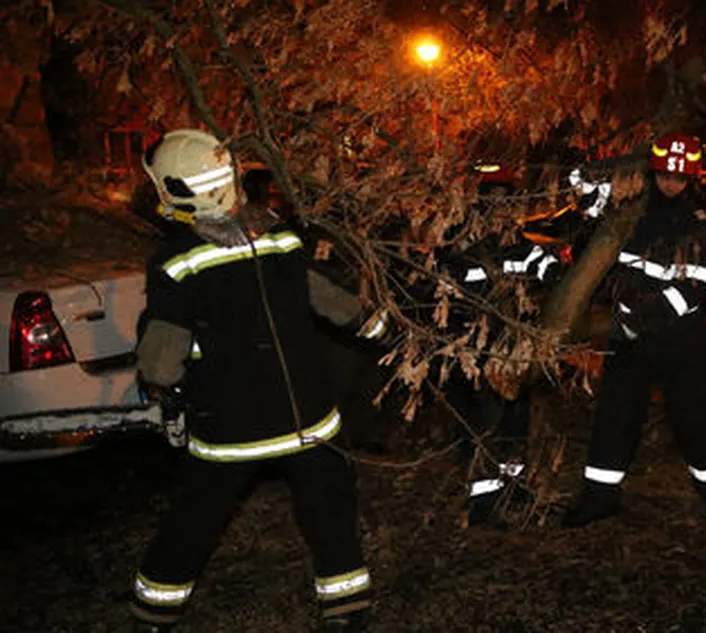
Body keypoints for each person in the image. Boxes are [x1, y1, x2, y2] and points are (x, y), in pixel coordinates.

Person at [129, 129, 377, 632]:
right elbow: (333, 302)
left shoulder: (176, 261)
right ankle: (347, 608)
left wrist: (164, 387)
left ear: (173, 191)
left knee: (196, 518)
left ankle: (154, 612)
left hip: (229, 428)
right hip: (307, 416)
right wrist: (379, 328)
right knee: (329, 511)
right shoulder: (280, 237)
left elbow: (160, 360)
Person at [562, 132, 706, 530]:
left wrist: (641, 316)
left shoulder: (700, 225)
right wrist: (629, 163)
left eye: (679, 177)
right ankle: (598, 499)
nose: (670, 184)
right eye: (663, 175)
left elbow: (695, 288)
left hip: (679, 342)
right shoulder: (629, 211)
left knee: (696, 419)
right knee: (616, 416)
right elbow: (578, 183)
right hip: (629, 342)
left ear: (691, 178)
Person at [401, 189, 567, 527]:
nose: (502, 217)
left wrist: (556, 273)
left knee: (514, 421)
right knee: (482, 425)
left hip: (507, 351)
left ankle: (512, 484)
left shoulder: (516, 245)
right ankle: (483, 503)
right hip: (470, 356)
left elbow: (545, 267)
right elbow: (437, 301)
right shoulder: (452, 251)